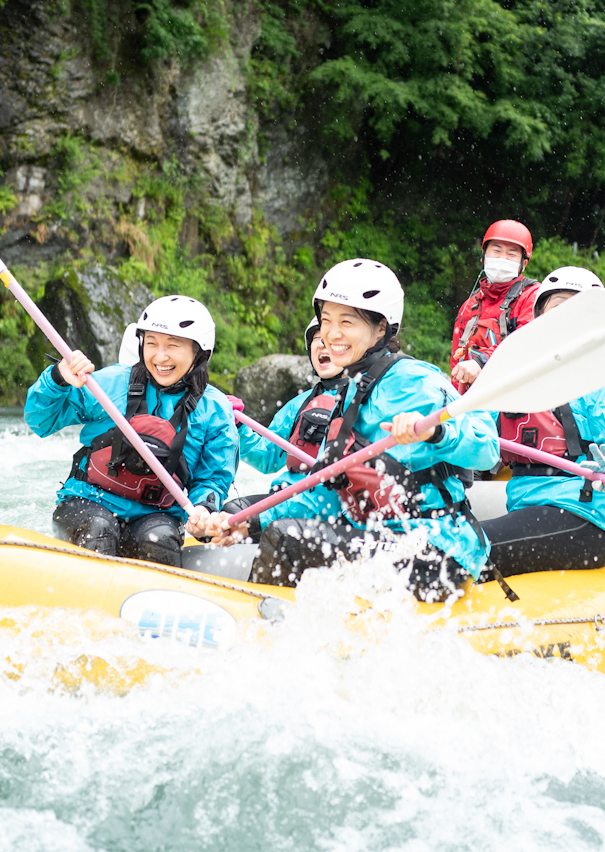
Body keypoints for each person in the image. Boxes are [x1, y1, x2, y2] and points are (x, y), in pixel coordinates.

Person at [188, 259, 500, 600]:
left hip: (437, 546)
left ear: (381, 328)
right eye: (326, 322)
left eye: (346, 322)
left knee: (288, 539)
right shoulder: (350, 390)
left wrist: (436, 433)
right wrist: (251, 522)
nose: (331, 334)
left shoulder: (415, 380)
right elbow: (327, 490)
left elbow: (487, 449)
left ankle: (260, 625)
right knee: (279, 531)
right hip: (378, 535)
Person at [24, 295, 238, 566]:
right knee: (98, 532)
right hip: (87, 501)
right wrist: (57, 379)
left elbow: (212, 479)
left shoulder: (215, 410)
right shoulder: (109, 384)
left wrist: (204, 509)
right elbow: (40, 422)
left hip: (156, 515)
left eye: (173, 345)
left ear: (201, 353)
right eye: (151, 343)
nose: (160, 356)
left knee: (159, 540)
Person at [479, 267, 605, 577]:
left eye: (579, 310)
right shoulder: (517, 379)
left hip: (586, 520)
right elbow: (475, 442)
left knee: (458, 546)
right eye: (559, 307)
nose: (567, 318)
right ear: (541, 317)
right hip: (527, 507)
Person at [226, 318, 348, 518]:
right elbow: (267, 458)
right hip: (286, 498)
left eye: (330, 339)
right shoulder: (297, 405)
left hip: (331, 508)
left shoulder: (365, 402)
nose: (323, 343)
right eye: (318, 338)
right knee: (232, 512)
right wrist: (239, 427)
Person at [448, 220, 539, 391]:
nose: (503, 258)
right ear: (483, 257)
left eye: (511, 254)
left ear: (523, 263)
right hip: (473, 404)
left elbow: (529, 343)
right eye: (496, 251)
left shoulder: (532, 297)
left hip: (515, 402)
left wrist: (482, 362)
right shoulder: (470, 304)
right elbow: (457, 360)